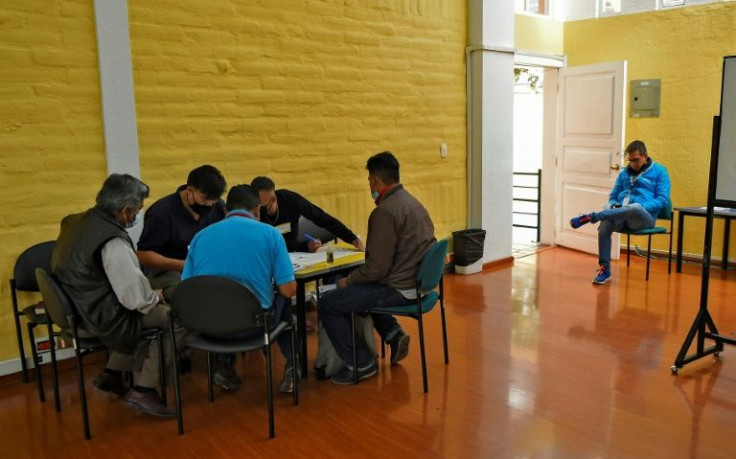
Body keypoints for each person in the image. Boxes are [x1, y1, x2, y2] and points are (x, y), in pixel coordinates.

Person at [51, 174, 176, 417]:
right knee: (176, 318)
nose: (137, 215)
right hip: (100, 316)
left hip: (80, 308)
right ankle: (144, 390)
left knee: (149, 307)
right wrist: (156, 296)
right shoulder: (113, 241)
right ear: (126, 210)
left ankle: (112, 373)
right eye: (138, 210)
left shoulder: (77, 222)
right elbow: (136, 300)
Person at [318, 151, 436, 385]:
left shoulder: (384, 211)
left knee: (329, 303)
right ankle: (392, 334)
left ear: (375, 180)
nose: (369, 185)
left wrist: (347, 281)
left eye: (370, 181)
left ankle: (361, 362)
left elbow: (376, 270)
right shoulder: (412, 202)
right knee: (359, 291)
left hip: (400, 287)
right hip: (419, 283)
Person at [182, 184, 299, 393]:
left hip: (209, 326)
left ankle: (225, 366)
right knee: (284, 300)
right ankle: (293, 365)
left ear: (226, 210)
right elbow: (289, 290)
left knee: (224, 304)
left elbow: (188, 287)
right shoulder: (270, 234)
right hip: (254, 325)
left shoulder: (200, 237)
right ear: (257, 210)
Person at [570, 140, 671, 284]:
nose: (632, 164)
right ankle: (605, 269)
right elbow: (613, 196)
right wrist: (614, 205)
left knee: (635, 207)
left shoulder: (660, 171)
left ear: (645, 156)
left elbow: (662, 200)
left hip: (643, 218)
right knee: (605, 224)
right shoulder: (624, 173)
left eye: (636, 160)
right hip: (622, 215)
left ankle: (593, 217)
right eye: (630, 160)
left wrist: (640, 206)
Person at [137, 165, 227, 299]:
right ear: (189, 190)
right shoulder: (161, 213)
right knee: (191, 297)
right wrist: (181, 265)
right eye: (203, 199)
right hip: (169, 271)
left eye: (213, 201)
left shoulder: (217, 206)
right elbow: (143, 255)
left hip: (206, 266)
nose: (209, 205)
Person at [250, 176, 365, 253]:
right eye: (257, 204)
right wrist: (304, 247)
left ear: (274, 199)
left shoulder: (290, 200)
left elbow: (320, 217)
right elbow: (267, 243)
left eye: (263, 205)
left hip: (293, 255)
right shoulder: (252, 211)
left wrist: (352, 238)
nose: (259, 210)